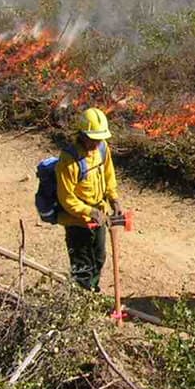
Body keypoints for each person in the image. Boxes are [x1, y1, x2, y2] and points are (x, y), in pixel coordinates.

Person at [56, 107, 121, 291]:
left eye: (100, 139)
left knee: (99, 257)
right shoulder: (68, 160)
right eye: (93, 139)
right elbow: (66, 198)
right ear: (82, 135)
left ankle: (91, 291)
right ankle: (83, 299)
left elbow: (109, 175)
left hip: (99, 214)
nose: (97, 143)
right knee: (82, 265)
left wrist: (113, 199)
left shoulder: (102, 148)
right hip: (77, 221)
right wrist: (89, 212)